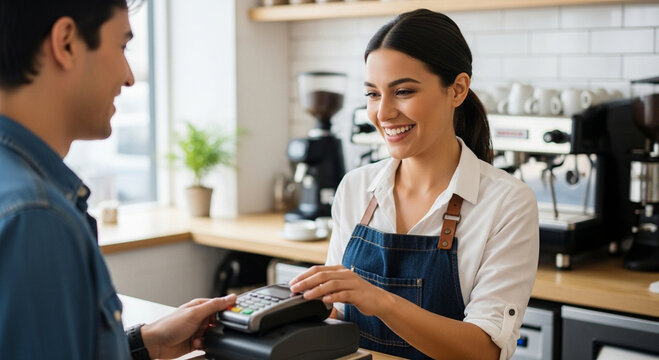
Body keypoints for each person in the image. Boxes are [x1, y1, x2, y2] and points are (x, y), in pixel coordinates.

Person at [289, 9, 539, 360]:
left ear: (457, 90)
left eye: (403, 91)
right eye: (373, 94)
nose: (384, 112)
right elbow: (339, 315)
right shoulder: (356, 188)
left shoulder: (507, 202)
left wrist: (381, 301)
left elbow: (483, 351)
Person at [0, 1, 235, 359]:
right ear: (66, 43)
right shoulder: (37, 218)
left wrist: (146, 343)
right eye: (122, 46)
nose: (129, 76)